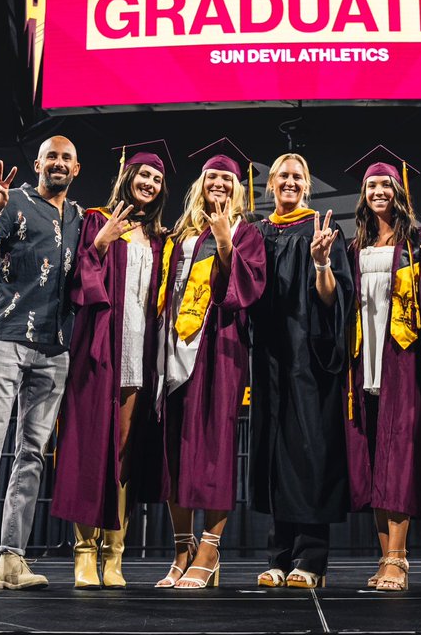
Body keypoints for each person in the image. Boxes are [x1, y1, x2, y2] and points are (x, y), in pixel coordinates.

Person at [0, 136, 83, 594]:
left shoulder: (79, 218)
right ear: (38, 163)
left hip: (54, 349)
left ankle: (12, 558)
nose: (58, 163)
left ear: (77, 168)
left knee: (31, 455)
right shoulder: (12, 202)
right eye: (51, 156)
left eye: (66, 158)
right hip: (3, 340)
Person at [51, 146, 170, 589]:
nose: (149, 185)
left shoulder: (158, 237)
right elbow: (75, 280)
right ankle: (84, 553)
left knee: (121, 452)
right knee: (88, 446)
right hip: (99, 348)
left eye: (156, 181)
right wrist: (101, 242)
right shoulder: (97, 221)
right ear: (128, 178)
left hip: (138, 352)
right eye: (143, 176)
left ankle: (114, 555)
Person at [152, 143, 266, 589]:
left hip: (219, 347)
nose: (218, 184)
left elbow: (249, 290)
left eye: (227, 180)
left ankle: (209, 550)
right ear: (200, 185)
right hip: (172, 347)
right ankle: (181, 550)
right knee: (174, 451)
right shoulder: (180, 233)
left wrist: (223, 240)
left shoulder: (247, 233)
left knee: (214, 448)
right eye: (211, 178)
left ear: (237, 190)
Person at [342, 154, 421, 592]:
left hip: (403, 358)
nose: (379, 192)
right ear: (363, 197)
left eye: (386, 185)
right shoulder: (355, 245)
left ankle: (400, 559)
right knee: (371, 456)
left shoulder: (418, 240)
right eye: (371, 187)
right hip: (362, 357)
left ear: (399, 192)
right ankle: (384, 555)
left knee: (399, 454)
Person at [249, 153, 355, 589]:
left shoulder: (322, 230)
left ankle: (311, 558)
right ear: (270, 183)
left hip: (309, 357)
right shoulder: (258, 232)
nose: (290, 183)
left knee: (309, 451)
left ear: (307, 184)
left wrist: (321, 263)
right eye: (283, 176)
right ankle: (278, 554)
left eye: (298, 177)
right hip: (269, 356)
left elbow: (334, 301)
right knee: (275, 451)